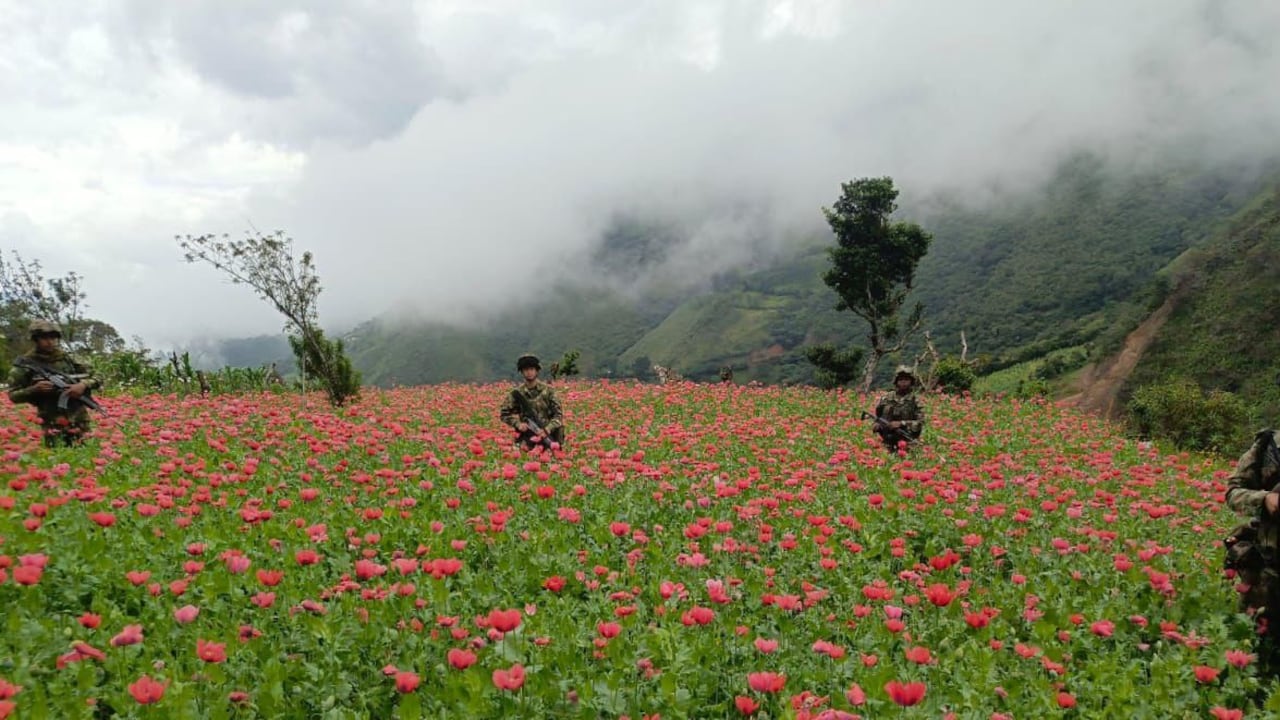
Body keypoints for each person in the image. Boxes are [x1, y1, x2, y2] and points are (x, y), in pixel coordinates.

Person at [6, 320, 103, 448]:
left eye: (53, 337)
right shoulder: (25, 364)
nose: (50, 341)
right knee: (58, 460)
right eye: (44, 338)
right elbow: (13, 395)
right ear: (35, 339)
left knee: (86, 457)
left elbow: (98, 376)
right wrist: (34, 389)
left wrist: (83, 385)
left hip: (79, 419)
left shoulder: (69, 358)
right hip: (51, 422)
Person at [1224, 429, 1280, 648]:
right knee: (1256, 647)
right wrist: (1265, 500)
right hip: (1269, 574)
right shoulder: (1268, 446)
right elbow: (1233, 492)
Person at [500, 354, 565, 451]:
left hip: (549, 436)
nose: (529, 372)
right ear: (522, 372)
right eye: (525, 370)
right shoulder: (516, 394)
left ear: (537, 370)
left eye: (531, 369)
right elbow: (504, 414)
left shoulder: (549, 391)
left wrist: (547, 429)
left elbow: (558, 415)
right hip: (527, 438)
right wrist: (518, 424)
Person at [871, 365, 924, 452]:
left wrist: (901, 423)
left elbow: (920, 422)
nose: (903, 382)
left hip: (907, 440)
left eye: (906, 380)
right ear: (896, 381)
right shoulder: (887, 397)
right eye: (901, 380)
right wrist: (877, 425)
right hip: (887, 440)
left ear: (911, 382)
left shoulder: (915, 400)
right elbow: (878, 416)